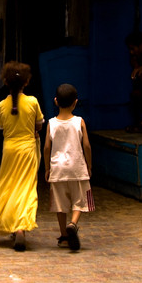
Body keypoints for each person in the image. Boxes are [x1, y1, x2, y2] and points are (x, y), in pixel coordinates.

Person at [0, 61, 44, 251]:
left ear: (5, 82)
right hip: (28, 150)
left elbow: (3, 128)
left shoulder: (2, 106)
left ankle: (11, 223)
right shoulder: (33, 102)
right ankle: (20, 226)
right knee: (26, 188)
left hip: (9, 150)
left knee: (9, 186)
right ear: (27, 82)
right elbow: (39, 125)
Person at [43, 83, 93, 251]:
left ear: (55, 101)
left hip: (57, 169)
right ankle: (74, 223)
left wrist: (47, 168)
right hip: (78, 168)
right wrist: (90, 166)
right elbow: (86, 146)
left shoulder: (51, 123)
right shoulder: (80, 122)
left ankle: (64, 235)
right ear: (75, 102)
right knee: (82, 200)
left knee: (59, 204)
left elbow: (47, 148)